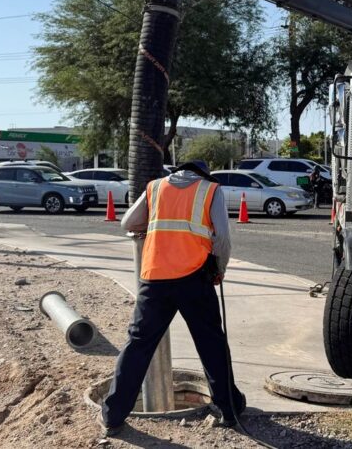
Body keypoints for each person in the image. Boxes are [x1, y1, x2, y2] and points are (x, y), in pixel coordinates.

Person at [99, 162, 244, 437]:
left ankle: (112, 416)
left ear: (177, 171)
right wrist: (219, 268)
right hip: (194, 279)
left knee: (138, 345)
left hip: (155, 279)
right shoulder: (211, 189)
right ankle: (229, 409)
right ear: (203, 174)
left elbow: (128, 223)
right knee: (211, 344)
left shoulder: (155, 187)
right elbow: (222, 239)